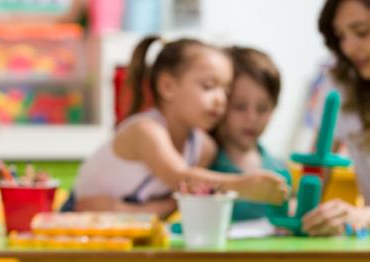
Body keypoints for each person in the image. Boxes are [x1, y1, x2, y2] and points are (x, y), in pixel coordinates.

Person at [70, 36, 289, 217]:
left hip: (126, 221)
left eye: (226, 90)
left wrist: (129, 211)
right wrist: (242, 185)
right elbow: (182, 179)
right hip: (76, 219)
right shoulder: (145, 131)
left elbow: (178, 199)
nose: (220, 99)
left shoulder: (204, 148)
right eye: (209, 86)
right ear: (167, 87)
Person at [302, 0, 370, 236]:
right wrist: (302, 209)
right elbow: (318, 162)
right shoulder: (340, 82)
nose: (349, 47)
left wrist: (363, 216)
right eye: (341, 36)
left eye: (362, 32)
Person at [210, 46, 291, 221]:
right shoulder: (205, 163)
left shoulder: (279, 170)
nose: (252, 118)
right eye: (239, 106)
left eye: (262, 108)